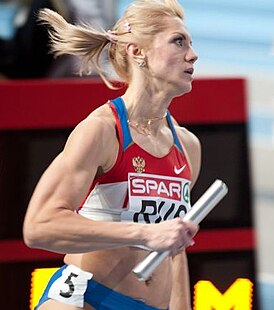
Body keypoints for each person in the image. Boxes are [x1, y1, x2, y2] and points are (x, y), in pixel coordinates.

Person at [23, 0, 201, 309]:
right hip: (85, 298)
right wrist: (143, 233)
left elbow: (174, 247)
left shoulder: (188, 146)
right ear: (137, 51)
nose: (193, 54)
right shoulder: (102, 130)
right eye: (178, 41)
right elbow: (39, 227)